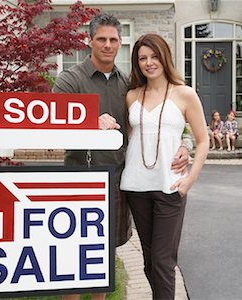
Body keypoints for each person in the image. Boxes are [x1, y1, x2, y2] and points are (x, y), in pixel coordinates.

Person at [52, 13, 189, 300]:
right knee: (74, 253)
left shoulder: (127, 85)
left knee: (103, 253)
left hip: (116, 180)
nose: (107, 45)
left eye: (113, 39)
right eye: (101, 39)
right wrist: (89, 121)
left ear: (119, 43)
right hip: (78, 181)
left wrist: (185, 142)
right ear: (89, 41)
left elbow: (158, 121)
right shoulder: (69, 80)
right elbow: (54, 125)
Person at [120, 33, 209, 300]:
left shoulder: (184, 94)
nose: (149, 62)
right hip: (135, 187)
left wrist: (190, 179)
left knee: (162, 260)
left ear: (165, 56)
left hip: (169, 187)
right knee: (149, 261)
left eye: (154, 56)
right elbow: (130, 138)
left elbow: (203, 141)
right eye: (143, 58)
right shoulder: (132, 96)